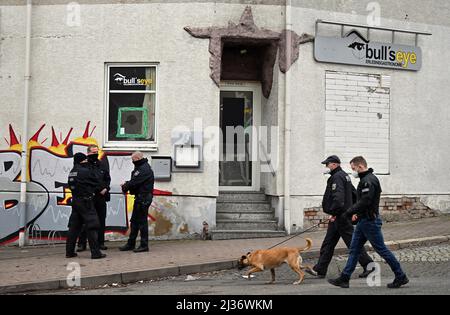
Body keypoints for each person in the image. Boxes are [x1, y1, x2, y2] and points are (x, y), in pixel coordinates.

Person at [329, 156, 409, 289]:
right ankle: (344, 278)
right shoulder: (366, 179)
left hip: (370, 222)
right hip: (363, 221)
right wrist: (357, 214)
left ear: (360, 167)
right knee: (354, 249)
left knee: (381, 249)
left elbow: (365, 201)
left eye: (353, 168)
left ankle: (400, 276)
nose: (352, 171)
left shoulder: (368, 181)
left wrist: (349, 212)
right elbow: (366, 203)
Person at [306, 155, 374, 279]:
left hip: (340, 217)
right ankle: (320, 269)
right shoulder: (344, 176)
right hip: (341, 215)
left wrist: (335, 213)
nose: (326, 166)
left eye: (328, 164)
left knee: (353, 244)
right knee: (328, 243)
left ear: (334, 164)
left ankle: (369, 265)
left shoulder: (337, 177)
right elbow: (354, 193)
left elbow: (338, 199)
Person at [66, 153, 106, 260]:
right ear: (82, 161)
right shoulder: (85, 171)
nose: (86, 162)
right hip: (86, 201)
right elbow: (96, 182)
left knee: (74, 227)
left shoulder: (72, 172)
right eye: (85, 160)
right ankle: (95, 253)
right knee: (92, 225)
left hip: (76, 201)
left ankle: (69, 252)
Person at [77, 145, 111, 252]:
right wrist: (98, 189)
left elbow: (107, 178)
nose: (96, 154)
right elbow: (86, 181)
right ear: (88, 153)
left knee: (101, 220)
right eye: (93, 152)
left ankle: (100, 243)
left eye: (97, 152)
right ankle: (82, 244)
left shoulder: (101, 165)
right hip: (89, 197)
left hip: (101, 197)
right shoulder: (85, 166)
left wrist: (106, 188)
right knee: (86, 221)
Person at [119, 152, 155, 253]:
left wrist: (125, 186)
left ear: (138, 158)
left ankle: (144, 245)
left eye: (133, 159)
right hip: (140, 198)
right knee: (134, 221)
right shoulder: (140, 167)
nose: (132, 161)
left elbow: (135, 182)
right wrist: (127, 184)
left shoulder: (143, 169)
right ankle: (131, 243)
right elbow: (134, 181)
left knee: (142, 222)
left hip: (143, 198)